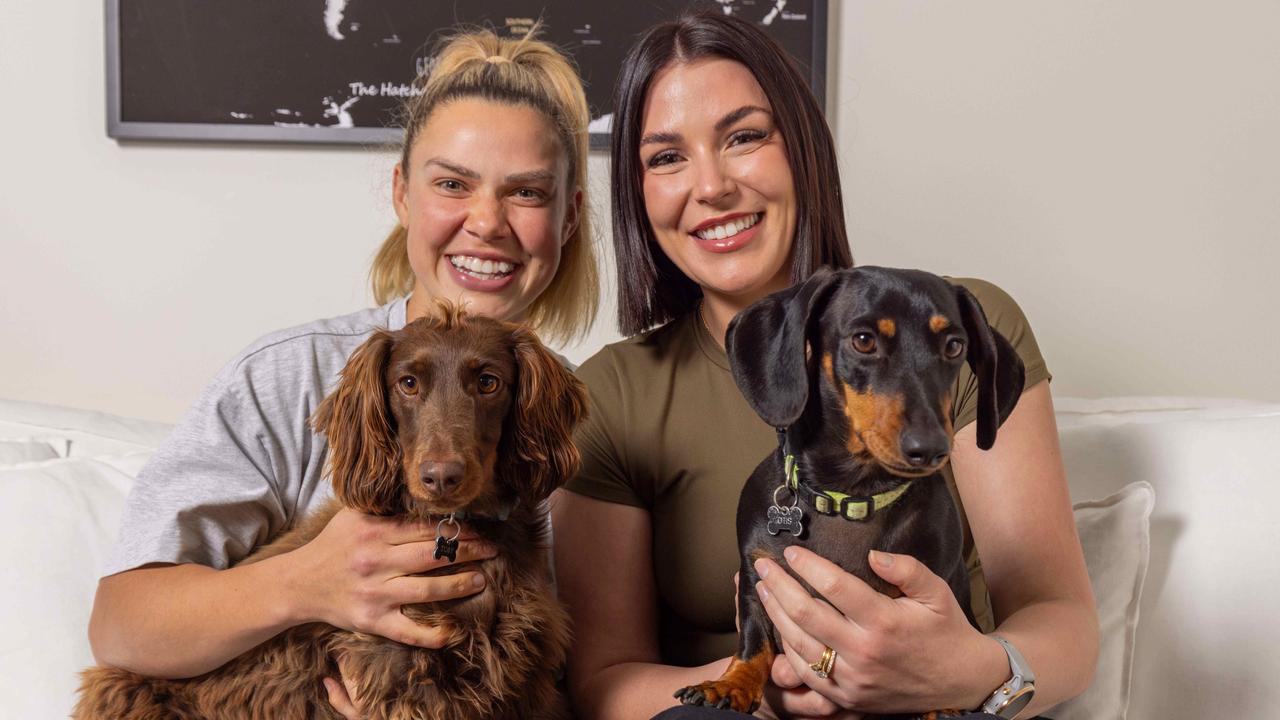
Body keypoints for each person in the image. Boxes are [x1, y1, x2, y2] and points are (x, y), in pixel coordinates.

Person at [552, 11, 1097, 720]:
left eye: (744, 136)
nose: (711, 185)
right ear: (637, 191)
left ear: (802, 148)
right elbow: (601, 685)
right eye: (666, 157)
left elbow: (1066, 627)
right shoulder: (613, 396)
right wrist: (783, 681)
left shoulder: (962, 328)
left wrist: (968, 672)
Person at [86, 27, 597, 716]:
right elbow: (120, 625)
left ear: (568, 217)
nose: (487, 222)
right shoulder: (290, 375)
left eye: (527, 193)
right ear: (402, 196)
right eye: (452, 183)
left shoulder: (585, 419)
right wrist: (308, 582)